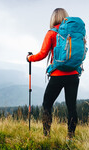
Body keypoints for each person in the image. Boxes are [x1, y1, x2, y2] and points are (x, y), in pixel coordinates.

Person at [27, 8, 80, 138]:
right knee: (71, 107)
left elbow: (42, 54)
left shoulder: (52, 33)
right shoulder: (74, 33)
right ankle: (70, 138)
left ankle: (46, 135)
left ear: (53, 18)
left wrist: (29, 58)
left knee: (47, 104)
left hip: (57, 75)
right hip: (74, 75)